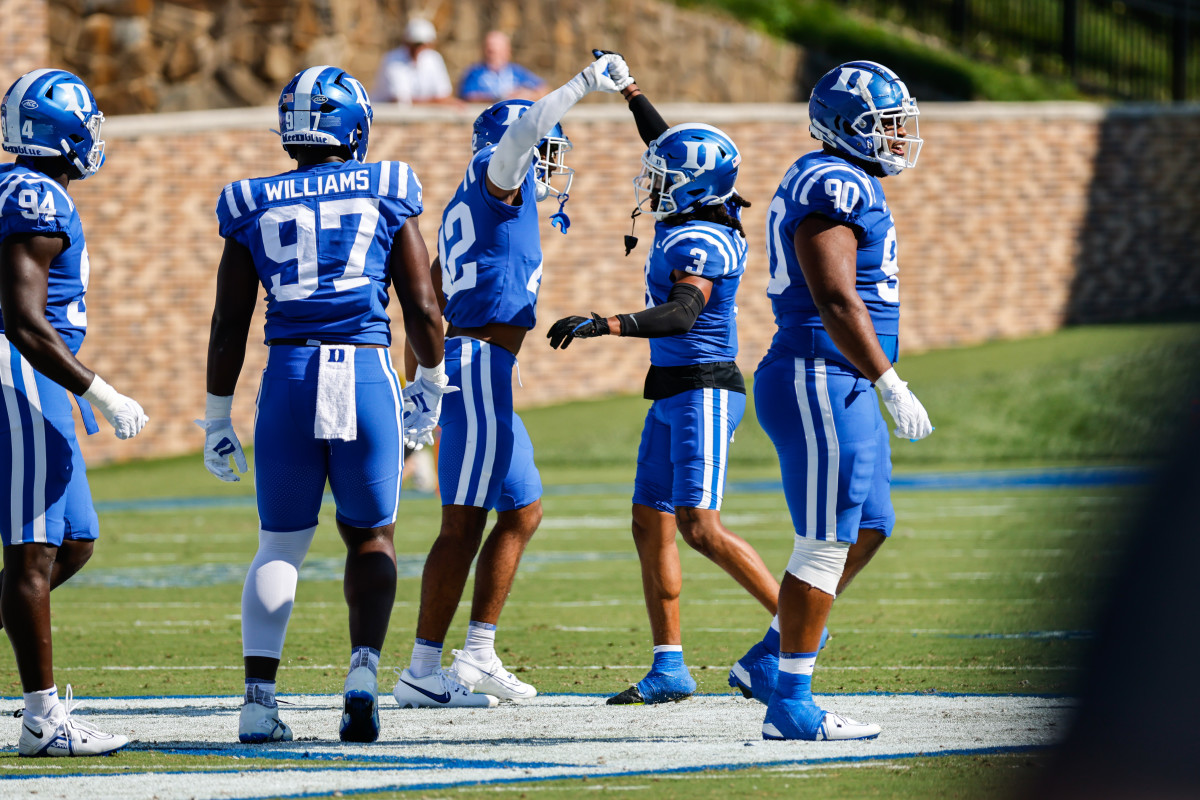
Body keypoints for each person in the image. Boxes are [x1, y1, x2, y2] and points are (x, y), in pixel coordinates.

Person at [199, 65, 448, 744]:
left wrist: (218, 415)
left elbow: (229, 322)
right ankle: (362, 676)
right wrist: (429, 381)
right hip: (363, 370)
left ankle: (257, 700)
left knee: (280, 542)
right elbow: (424, 305)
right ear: (355, 125)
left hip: (290, 371)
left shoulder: (252, 199)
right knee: (370, 535)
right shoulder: (385, 186)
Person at [390, 53, 627, 709]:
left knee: (522, 510)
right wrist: (583, 82)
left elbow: (425, 302)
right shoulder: (495, 176)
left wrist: (420, 384)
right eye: (542, 148)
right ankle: (420, 669)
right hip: (476, 368)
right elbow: (522, 137)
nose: (551, 162)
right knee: (462, 524)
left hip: (484, 370)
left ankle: (479, 653)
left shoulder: (480, 201)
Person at [546, 67, 781, 705]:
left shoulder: (706, 236)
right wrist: (629, 93)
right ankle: (669, 665)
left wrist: (605, 322)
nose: (653, 184)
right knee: (650, 521)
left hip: (705, 388)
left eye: (665, 180)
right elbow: (667, 145)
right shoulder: (697, 209)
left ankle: (797, 626)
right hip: (671, 388)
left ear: (694, 185)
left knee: (700, 526)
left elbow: (681, 313)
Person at [731, 60, 933, 742]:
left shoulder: (849, 178)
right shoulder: (834, 182)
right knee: (822, 543)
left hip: (839, 378)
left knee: (870, 524)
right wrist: (888, 379)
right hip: (821, 373)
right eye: (883, 125)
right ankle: (790, 703)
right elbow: (836, 295)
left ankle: (767, 656)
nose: (898, 136)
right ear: (844, 128)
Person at [0, 68, 148, 756]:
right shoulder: (33, 198)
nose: (95, 135)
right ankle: (42, 722)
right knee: (31, 553)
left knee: (75, 540)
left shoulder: (28, 190)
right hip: (22, 377)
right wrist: (103, 392)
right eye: (87, 122)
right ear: (60, 133)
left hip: (39, 385)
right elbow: (26, 322)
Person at [372, 17, 455, 105]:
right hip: (383, 116)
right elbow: (400, 101)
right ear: (405, 42)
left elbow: (444, 95)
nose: (419, 48)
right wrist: (437, 102)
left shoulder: (434, 58)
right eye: (415, 44)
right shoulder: (392, 60)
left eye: (424, 44)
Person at [457, 31, 547, 104]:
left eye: (498, 51)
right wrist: (501, 98)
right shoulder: (475, 73)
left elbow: (544, 90)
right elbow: (467, 96)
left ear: (508, 51)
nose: (493, 56)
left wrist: (528, 95)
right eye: (490, 51)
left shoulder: (517, 72)